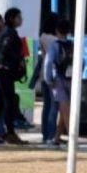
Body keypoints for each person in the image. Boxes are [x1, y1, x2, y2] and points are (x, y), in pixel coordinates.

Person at [0, 8, 27, 145]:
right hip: (4, 71)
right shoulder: (9, 34)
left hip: (0, 71)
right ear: (11, 18)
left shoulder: (5, 32)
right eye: (18, 17)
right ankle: (10, 133)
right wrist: (14, 64)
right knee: (9, 101)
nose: (21, 20)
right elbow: (3, 53)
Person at [43, 18, 73, 148]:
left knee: (64, 110)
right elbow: (81, 62)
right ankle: (56, 138)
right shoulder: (72, 45)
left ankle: (72, 139)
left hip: (58, 79)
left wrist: (48, 79)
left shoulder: (54, 45)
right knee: (64, 109)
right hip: (70, 79)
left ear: (56, 30)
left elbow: (48, 62)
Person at [38, 14, 60, 145]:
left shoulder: (42, 37)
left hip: (42, 72)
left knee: (46, 105)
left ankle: (45, 133)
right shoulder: (54, 40)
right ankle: (51, 133)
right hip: (52, 72)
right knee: (53, 105)